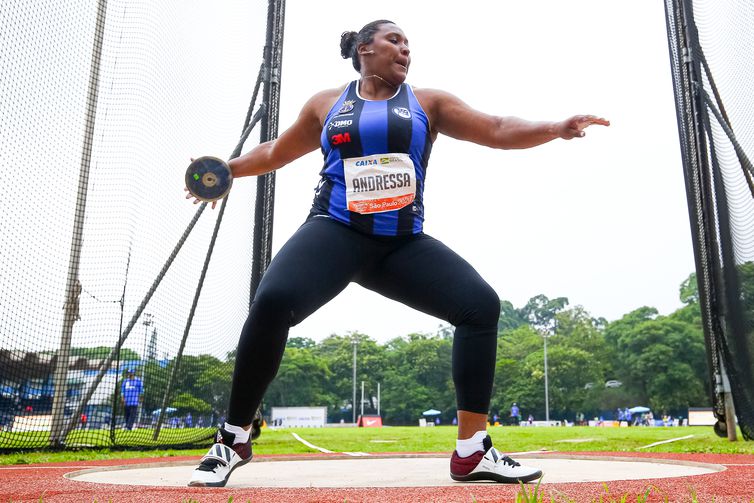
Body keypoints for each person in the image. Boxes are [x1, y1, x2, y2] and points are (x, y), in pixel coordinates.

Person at [186, 19, 608, 487]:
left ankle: (472, 451)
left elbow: (496, 128)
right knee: (271, 301)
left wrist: (554, 127)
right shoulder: (327, 104)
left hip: (401, 242)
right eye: (395, 41)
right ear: (365, 49)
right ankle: (232, 438)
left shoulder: (429, 102)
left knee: (480, 305)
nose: (405, 50)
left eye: (409, 45)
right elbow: (276, 152)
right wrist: (226, 171)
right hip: (336, 229)